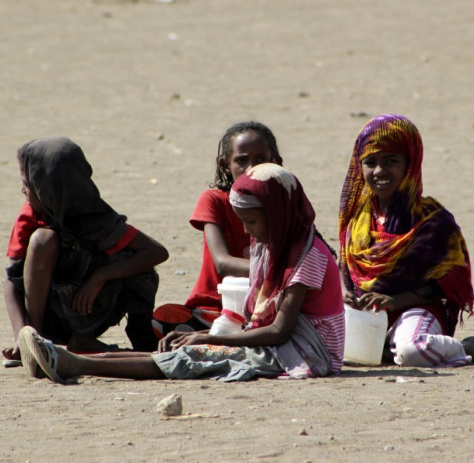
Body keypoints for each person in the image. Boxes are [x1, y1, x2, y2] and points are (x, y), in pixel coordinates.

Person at [17, 163, 345, 383]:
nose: (247, 232)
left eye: (252, 222)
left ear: (279, 214)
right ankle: (71, 357)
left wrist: (212, 336)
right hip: (281, 342)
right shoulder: (276, 241)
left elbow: (278, 332)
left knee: (194, 357)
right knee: (188, 350)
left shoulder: (308, 256)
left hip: (308, 352)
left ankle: (76, 364)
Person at [339, 114, 474, 367]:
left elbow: (449, 282)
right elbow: (343, 266)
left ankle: (470, 347)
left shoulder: (432, 220)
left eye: (391, 161)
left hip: (414, 310)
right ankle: (388, 350)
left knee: (412, 351)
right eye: (370, 162)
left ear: (410, 164)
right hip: (365, 316)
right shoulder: (356, 219)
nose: (379, 171)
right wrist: (346, 294)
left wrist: (396, 301)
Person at [2, 137, 169, 364]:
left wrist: (101, 276)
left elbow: (156, 252)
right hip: (45, 316)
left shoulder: (96, 216)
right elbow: (11, 280)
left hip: (86, 310)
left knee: (138, 263)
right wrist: (23, 336)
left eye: (28, 183)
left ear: (49, 187)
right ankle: (35, 344)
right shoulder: (31, 217)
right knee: (43, 240)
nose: (22, 189)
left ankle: (108, 337)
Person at [151, 121, 283, 337]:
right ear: (224, 165)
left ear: (275, 162)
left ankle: (230, 336)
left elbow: (313, 250)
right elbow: (223, 263)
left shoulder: (285, 203)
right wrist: (282, 270)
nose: (251, 168)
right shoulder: (214, 201)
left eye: (261, 160)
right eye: (241, 160)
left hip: (267, 305)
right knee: (163, 318)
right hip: (215, 307)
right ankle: (231, 335)